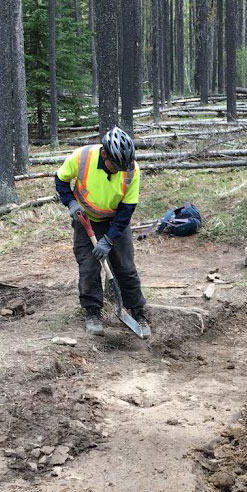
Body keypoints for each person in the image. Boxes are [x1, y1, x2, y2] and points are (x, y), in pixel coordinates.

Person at [55, 126, 151, 338]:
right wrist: (71, 203)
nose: (119, 171)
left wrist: (109, 239)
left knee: (126, 268)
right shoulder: (82, 157)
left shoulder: (132, 170)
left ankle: (137, 312)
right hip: (86, 220)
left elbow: (127, 209)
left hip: (116, 221)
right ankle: (92, 313)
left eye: (122, 167)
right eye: (115, 166)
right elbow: (60, 179)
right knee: (88, 268)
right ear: (105, 154)